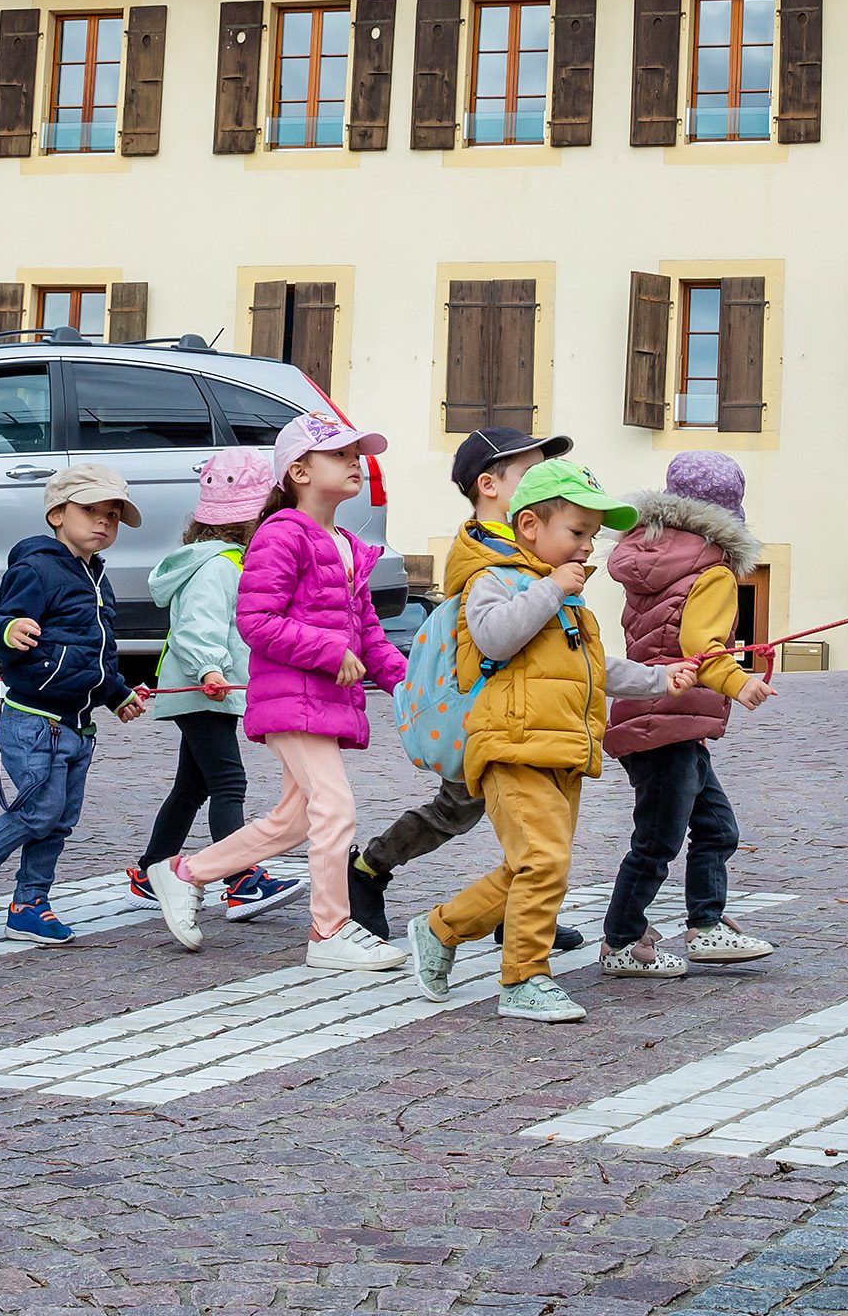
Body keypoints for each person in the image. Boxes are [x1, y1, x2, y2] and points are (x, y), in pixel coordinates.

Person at [406, 459, 697, 1022]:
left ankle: (442, 928)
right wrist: (548, 589)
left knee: (535, 865)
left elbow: (593, 667)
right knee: (543, 861)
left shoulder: (565, 597)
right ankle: (523, 979)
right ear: (532, 526)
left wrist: (661, 679)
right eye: (577, 532)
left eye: (592, 535)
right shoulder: (492, 580)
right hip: (510, 746)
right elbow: (493, 640)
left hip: (561, 749)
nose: (588, 547)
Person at [145, 415, 412, 972]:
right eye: (340, 455)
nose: (354, 463)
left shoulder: (347, 546)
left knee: (295, 820)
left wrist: (405, 684)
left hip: (324, 702)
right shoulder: (280, 533)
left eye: (356, 455)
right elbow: (256, 620)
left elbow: (369, 632)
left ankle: (181, 873)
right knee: (336, 808)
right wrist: (327, 651)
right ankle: (329, 929)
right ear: (298, 471)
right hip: (291, 695)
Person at [346, 426, 587, 955]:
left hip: (524, 707)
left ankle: (513, 910)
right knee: (460, 809)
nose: (544, 483)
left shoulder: (531, 542)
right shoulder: (486, 553)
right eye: (530, 474)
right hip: (488, 707)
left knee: (513, 811)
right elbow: (496, 633)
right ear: (490, 486)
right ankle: (368, 868)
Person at [0, 465, 148, 945]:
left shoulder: (96, 575)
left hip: (78, 724)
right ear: (57, 513)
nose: (102, 522)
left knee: (60, 820)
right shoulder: (36, 567)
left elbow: (98, 651)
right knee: (38, 810)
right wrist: (8, 632)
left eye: (112, 515)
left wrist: (116, 694)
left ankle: (30, 904)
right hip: (33, 719)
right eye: (91, 510)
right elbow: (1, 625)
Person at [600, 451, 780, 977]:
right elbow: (699, 645)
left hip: (655, 714)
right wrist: (738, 681)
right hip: (671, 719)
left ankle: (705, 925)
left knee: (717, 826)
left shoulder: (648, 559)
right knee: (657, 841)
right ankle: (622, 941)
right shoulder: (714, 571)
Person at [127, 447, 302, 919]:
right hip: (203, 690)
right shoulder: (218, 567)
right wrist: (211, 670)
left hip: (208, 691)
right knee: (230, 782)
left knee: (192, 786)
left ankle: (150, 870)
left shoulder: (225, 562)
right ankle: (241, 879)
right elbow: (196, 628)